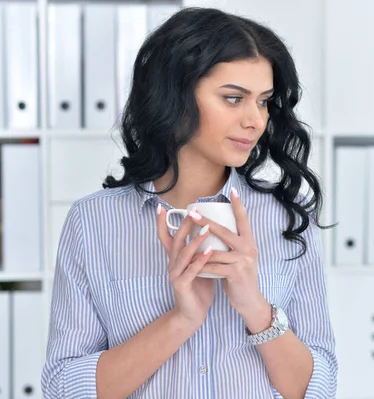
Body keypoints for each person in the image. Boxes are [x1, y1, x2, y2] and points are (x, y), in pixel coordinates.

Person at [41, 7, 337, 399]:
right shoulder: (94, 222)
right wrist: (181, 320)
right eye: (234, 99)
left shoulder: (284, 215)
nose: (255, 120)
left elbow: (320, 388)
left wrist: (255, 307)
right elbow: (63, 389)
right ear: (174, 96)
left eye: (263, 101)